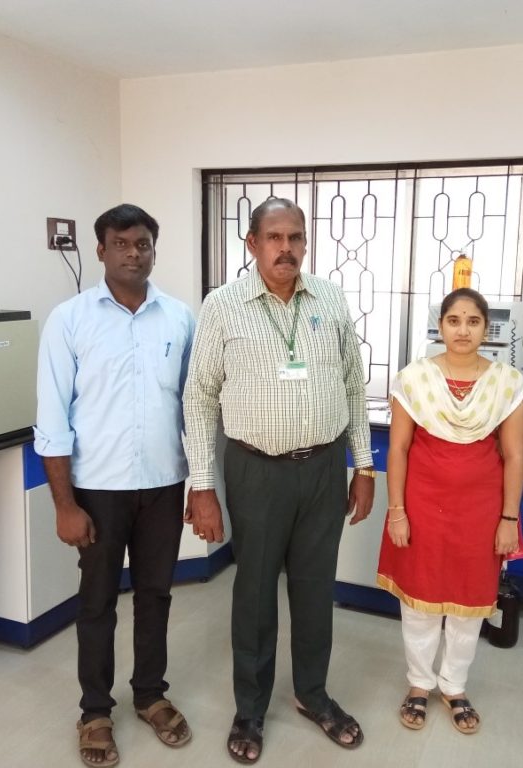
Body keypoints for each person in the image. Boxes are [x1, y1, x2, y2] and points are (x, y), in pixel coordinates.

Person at [183, 197, 375, 764]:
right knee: (255, 593)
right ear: (252, 244)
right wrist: (202, 484)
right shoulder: (222, 307)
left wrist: (362, 467)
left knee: (316, 590)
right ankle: (250, 707)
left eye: (295, 237)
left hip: (322, 467)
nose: (285, 248)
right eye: (273, 237)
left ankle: (312, 694)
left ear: (306, 243)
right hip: (256, 471)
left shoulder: (331, 299)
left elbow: (351, 386)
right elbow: (199, 398)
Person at [35, 203, 195, 768]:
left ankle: (150, 695)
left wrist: (200, 485)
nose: (134, 253)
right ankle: (95, 710)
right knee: (97, 602)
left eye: (143, 243)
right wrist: (64, 505)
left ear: (155, 248)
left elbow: (193, 410)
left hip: (162, 484)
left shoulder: (179, 318)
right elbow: (51, 422)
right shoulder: (69, 320)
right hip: (96, 489)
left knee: (155, 596)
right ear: (100, 250)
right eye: (121, 243)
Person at [376, 287, 523, 735]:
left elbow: (515, 457)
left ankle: (454, 686)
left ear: (486, 328)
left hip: (481, 510)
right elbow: (398, 449)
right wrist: (397, 511)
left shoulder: (507, 383)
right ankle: (419, 684)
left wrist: (509, 520)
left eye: (473, 321)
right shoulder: (414, 379)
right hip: (422, 505)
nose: (463, 330)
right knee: (419, 603)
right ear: (440, 326)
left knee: (469, 603)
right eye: (454, 320)